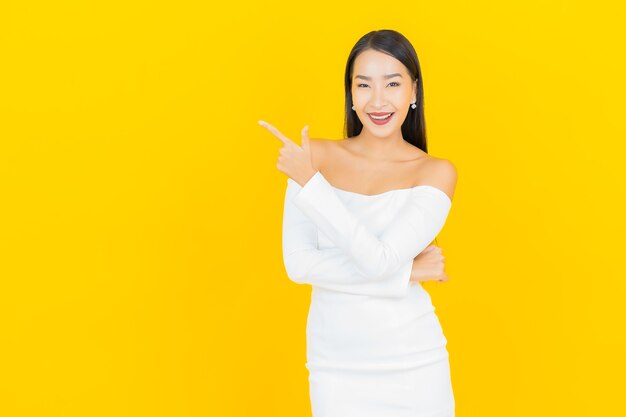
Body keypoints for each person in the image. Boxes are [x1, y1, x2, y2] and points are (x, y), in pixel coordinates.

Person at [259, 29, 457, 417]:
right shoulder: (313, 155)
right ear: (350, 93)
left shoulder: (435, 172)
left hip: (413, 367)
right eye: (363, 85)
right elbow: (298, 266)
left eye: (393, 84)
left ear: (414, 92)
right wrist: (407, 273)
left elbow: (379, 260)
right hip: (335, 369)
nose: (377, 100)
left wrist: (312, 185)